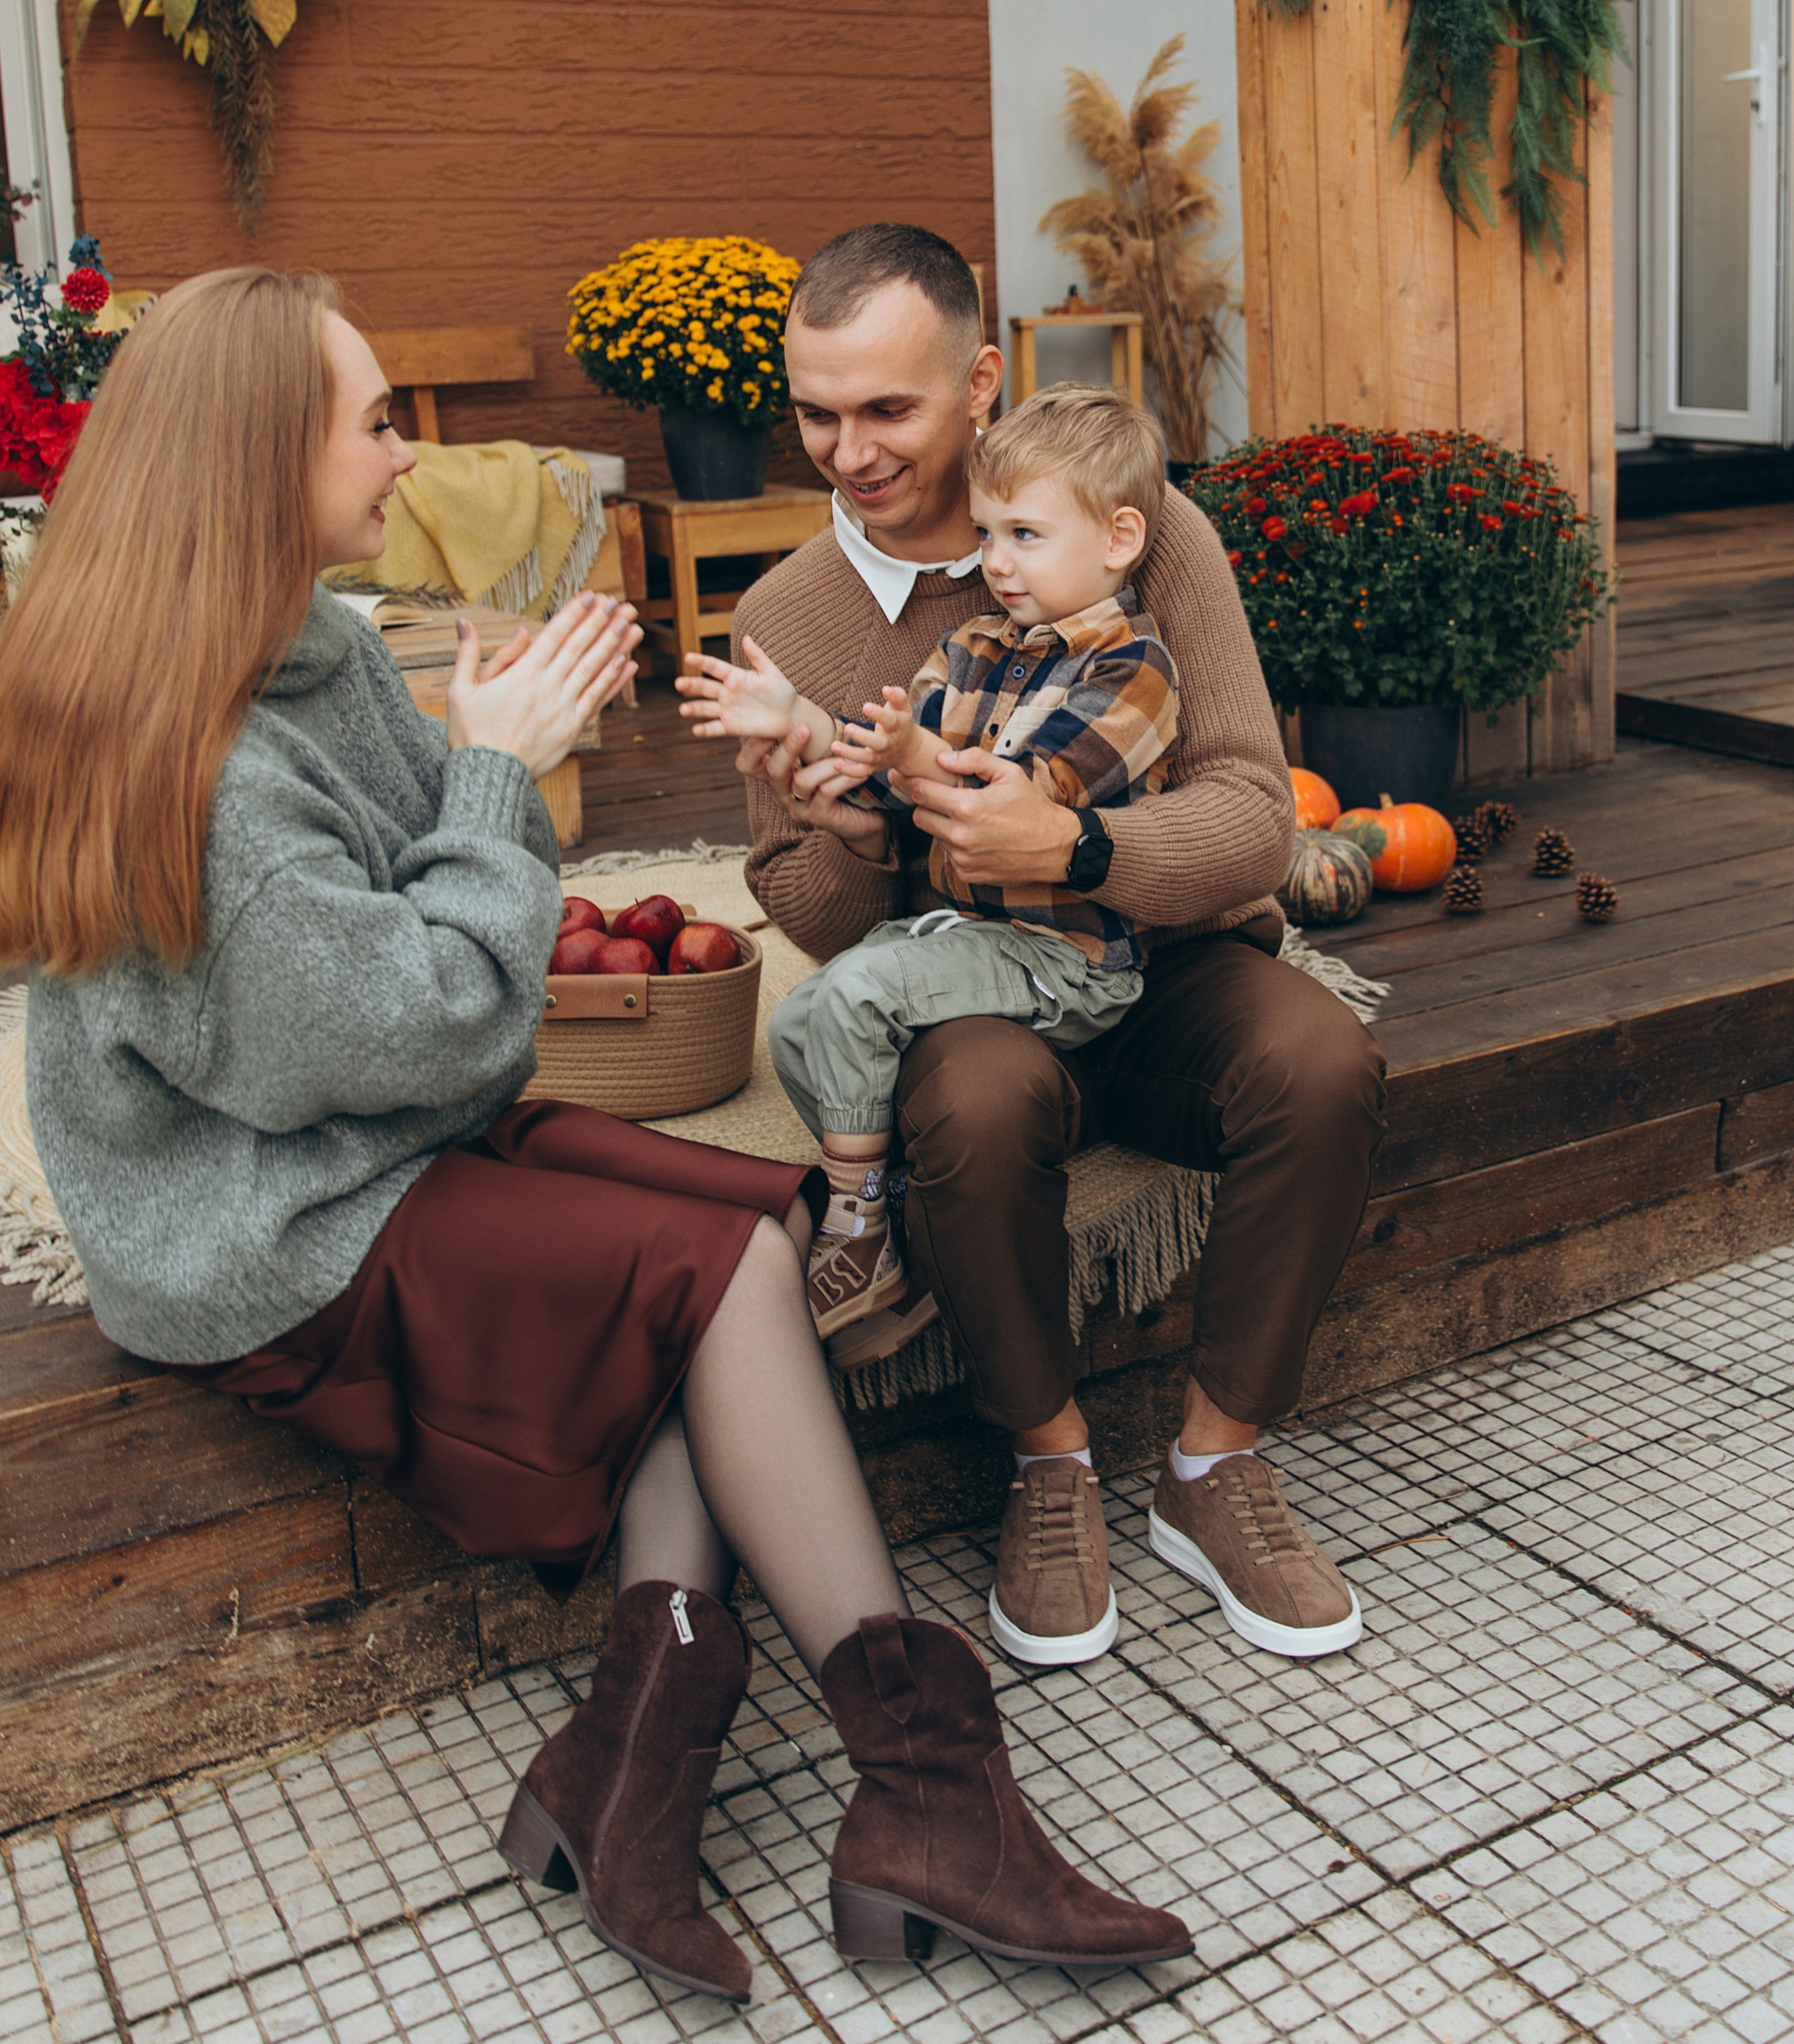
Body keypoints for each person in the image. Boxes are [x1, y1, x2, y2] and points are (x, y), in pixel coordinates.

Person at [0, 266, 1188, 2001]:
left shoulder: (310, 646)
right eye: (374, 420)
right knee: (698, 1273)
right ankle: (927, 1794)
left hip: (373, 1138)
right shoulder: (205, 773)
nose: (405, 456)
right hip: (264, 1224)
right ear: (264, 462)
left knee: (761, 1219)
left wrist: (478, 770)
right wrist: (492, 773)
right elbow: (435, 1011)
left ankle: (624, 1769)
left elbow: (434, 949)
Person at [729, 224, 1385, 1674]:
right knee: (968, 1099)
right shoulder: (782, 621)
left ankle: (1212, 1470)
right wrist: (825, 812)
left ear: (976, 383)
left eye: (886, 410)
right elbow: (825, 919)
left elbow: (1248, 810)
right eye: (815, 413)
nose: (846, 452)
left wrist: (1081, 850)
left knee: (1320, 1059)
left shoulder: (1137, 523)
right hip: (974, 978)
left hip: (1158, 957)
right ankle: (1050, 1464)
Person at [679, 387, 1177, 1396]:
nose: (996, 562)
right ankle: (904, 1205)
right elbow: (884, 768)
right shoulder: (978, 646)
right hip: (976, 930)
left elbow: (1012, 800)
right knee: (801, 1023)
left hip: (1072, 961)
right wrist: (805, 731)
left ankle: (855, 1227)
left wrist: (914, 753)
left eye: (1026, 535)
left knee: (862, 998)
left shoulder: (1135, 671)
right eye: (989, 533)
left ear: (1120, 537)